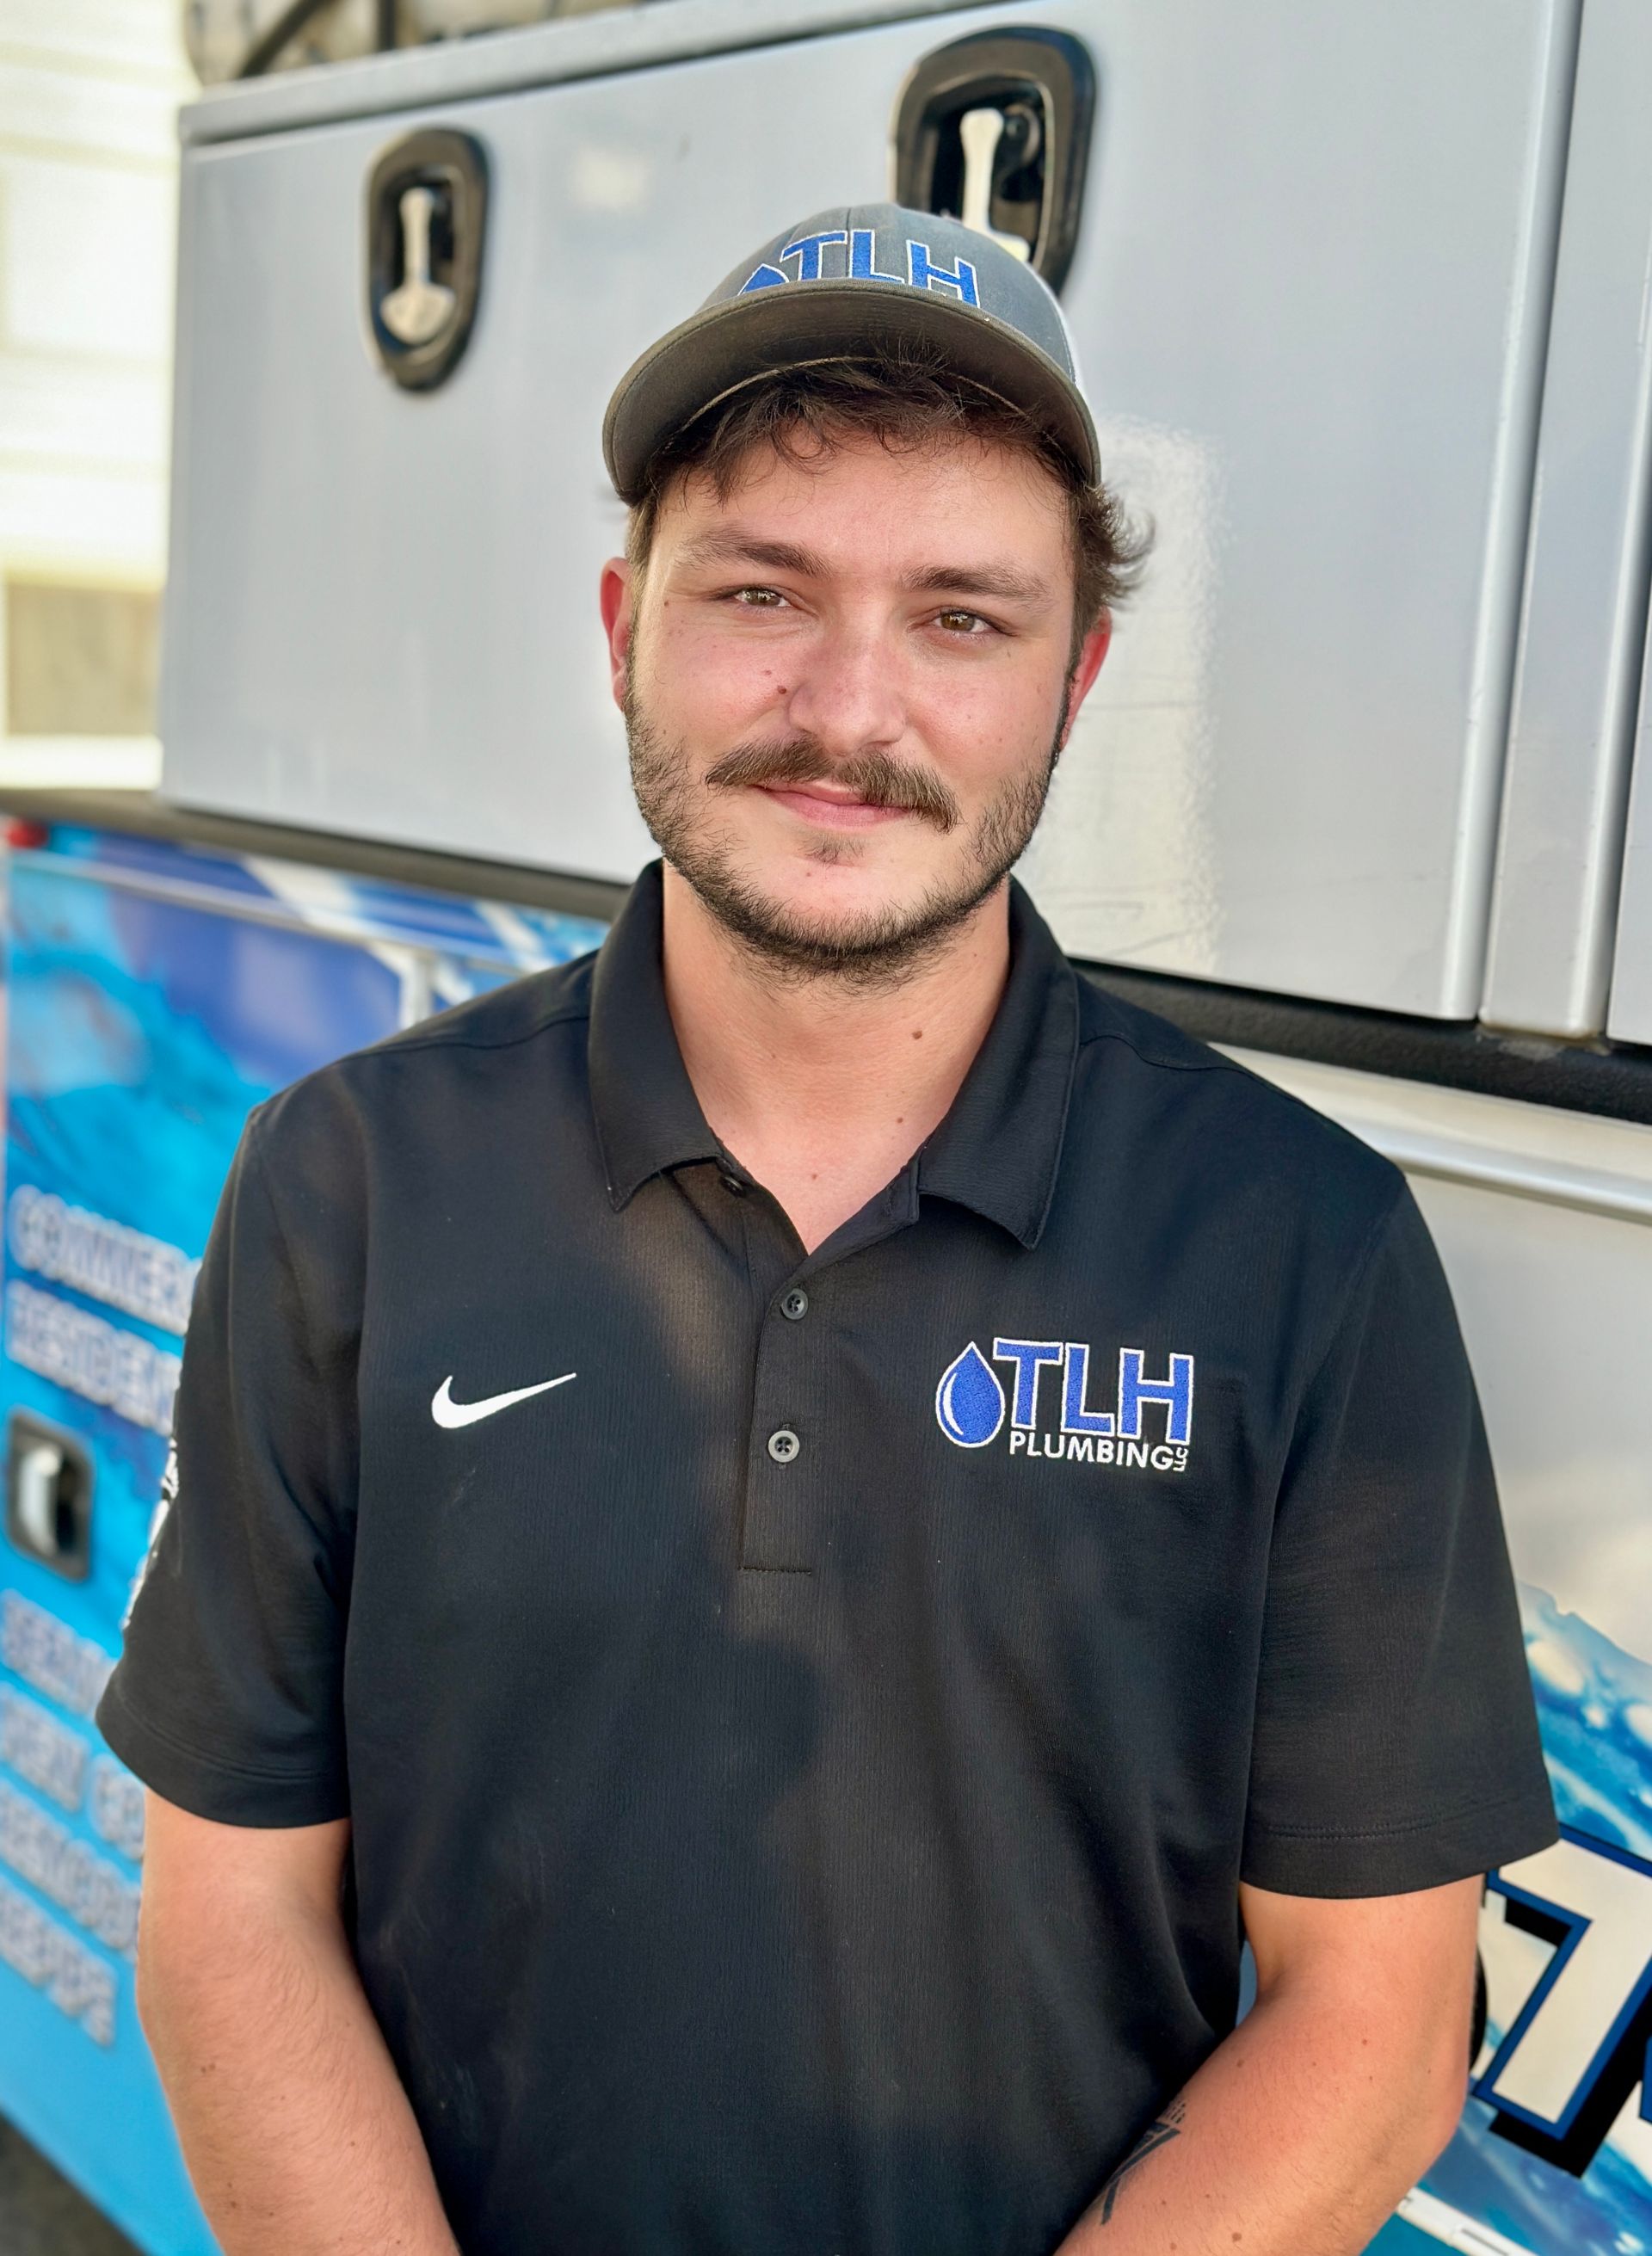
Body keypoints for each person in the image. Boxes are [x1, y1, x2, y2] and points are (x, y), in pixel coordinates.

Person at [99, 204, 1556, 2256]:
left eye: (962, 617)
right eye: (763, 592)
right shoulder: (349, 1177)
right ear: (623, 623)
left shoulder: (1306, 1251)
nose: (850, 710)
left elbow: (1380, 2018)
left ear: (1080, 676)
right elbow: (234, 1901)